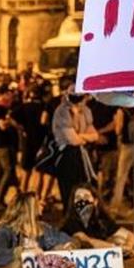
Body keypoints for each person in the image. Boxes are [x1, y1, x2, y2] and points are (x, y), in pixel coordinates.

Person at [52, 77, 99, 207]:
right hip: (66, 156)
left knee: (84, 189)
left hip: (82, 155)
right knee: (69, 191)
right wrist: (84, 137)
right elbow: (73, 140)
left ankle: (83, 218)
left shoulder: (85, 112)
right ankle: (70, 220)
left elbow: (94, 135)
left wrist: (81, 136)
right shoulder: (62, 112)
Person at [61, 185, 134, 255]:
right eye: (78, 197)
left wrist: (128, 246)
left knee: (120, 239)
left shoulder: (101, 221)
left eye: (86, 196)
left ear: (95, 201)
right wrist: (116, 248)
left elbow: (131, 236)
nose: (82, 201)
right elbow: (85, 240)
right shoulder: (71, 223)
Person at [110, 106, 134, 215]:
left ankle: (115, 207)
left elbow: (118, 130)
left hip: (127, 146)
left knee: (121, 177)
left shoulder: (121, 110)